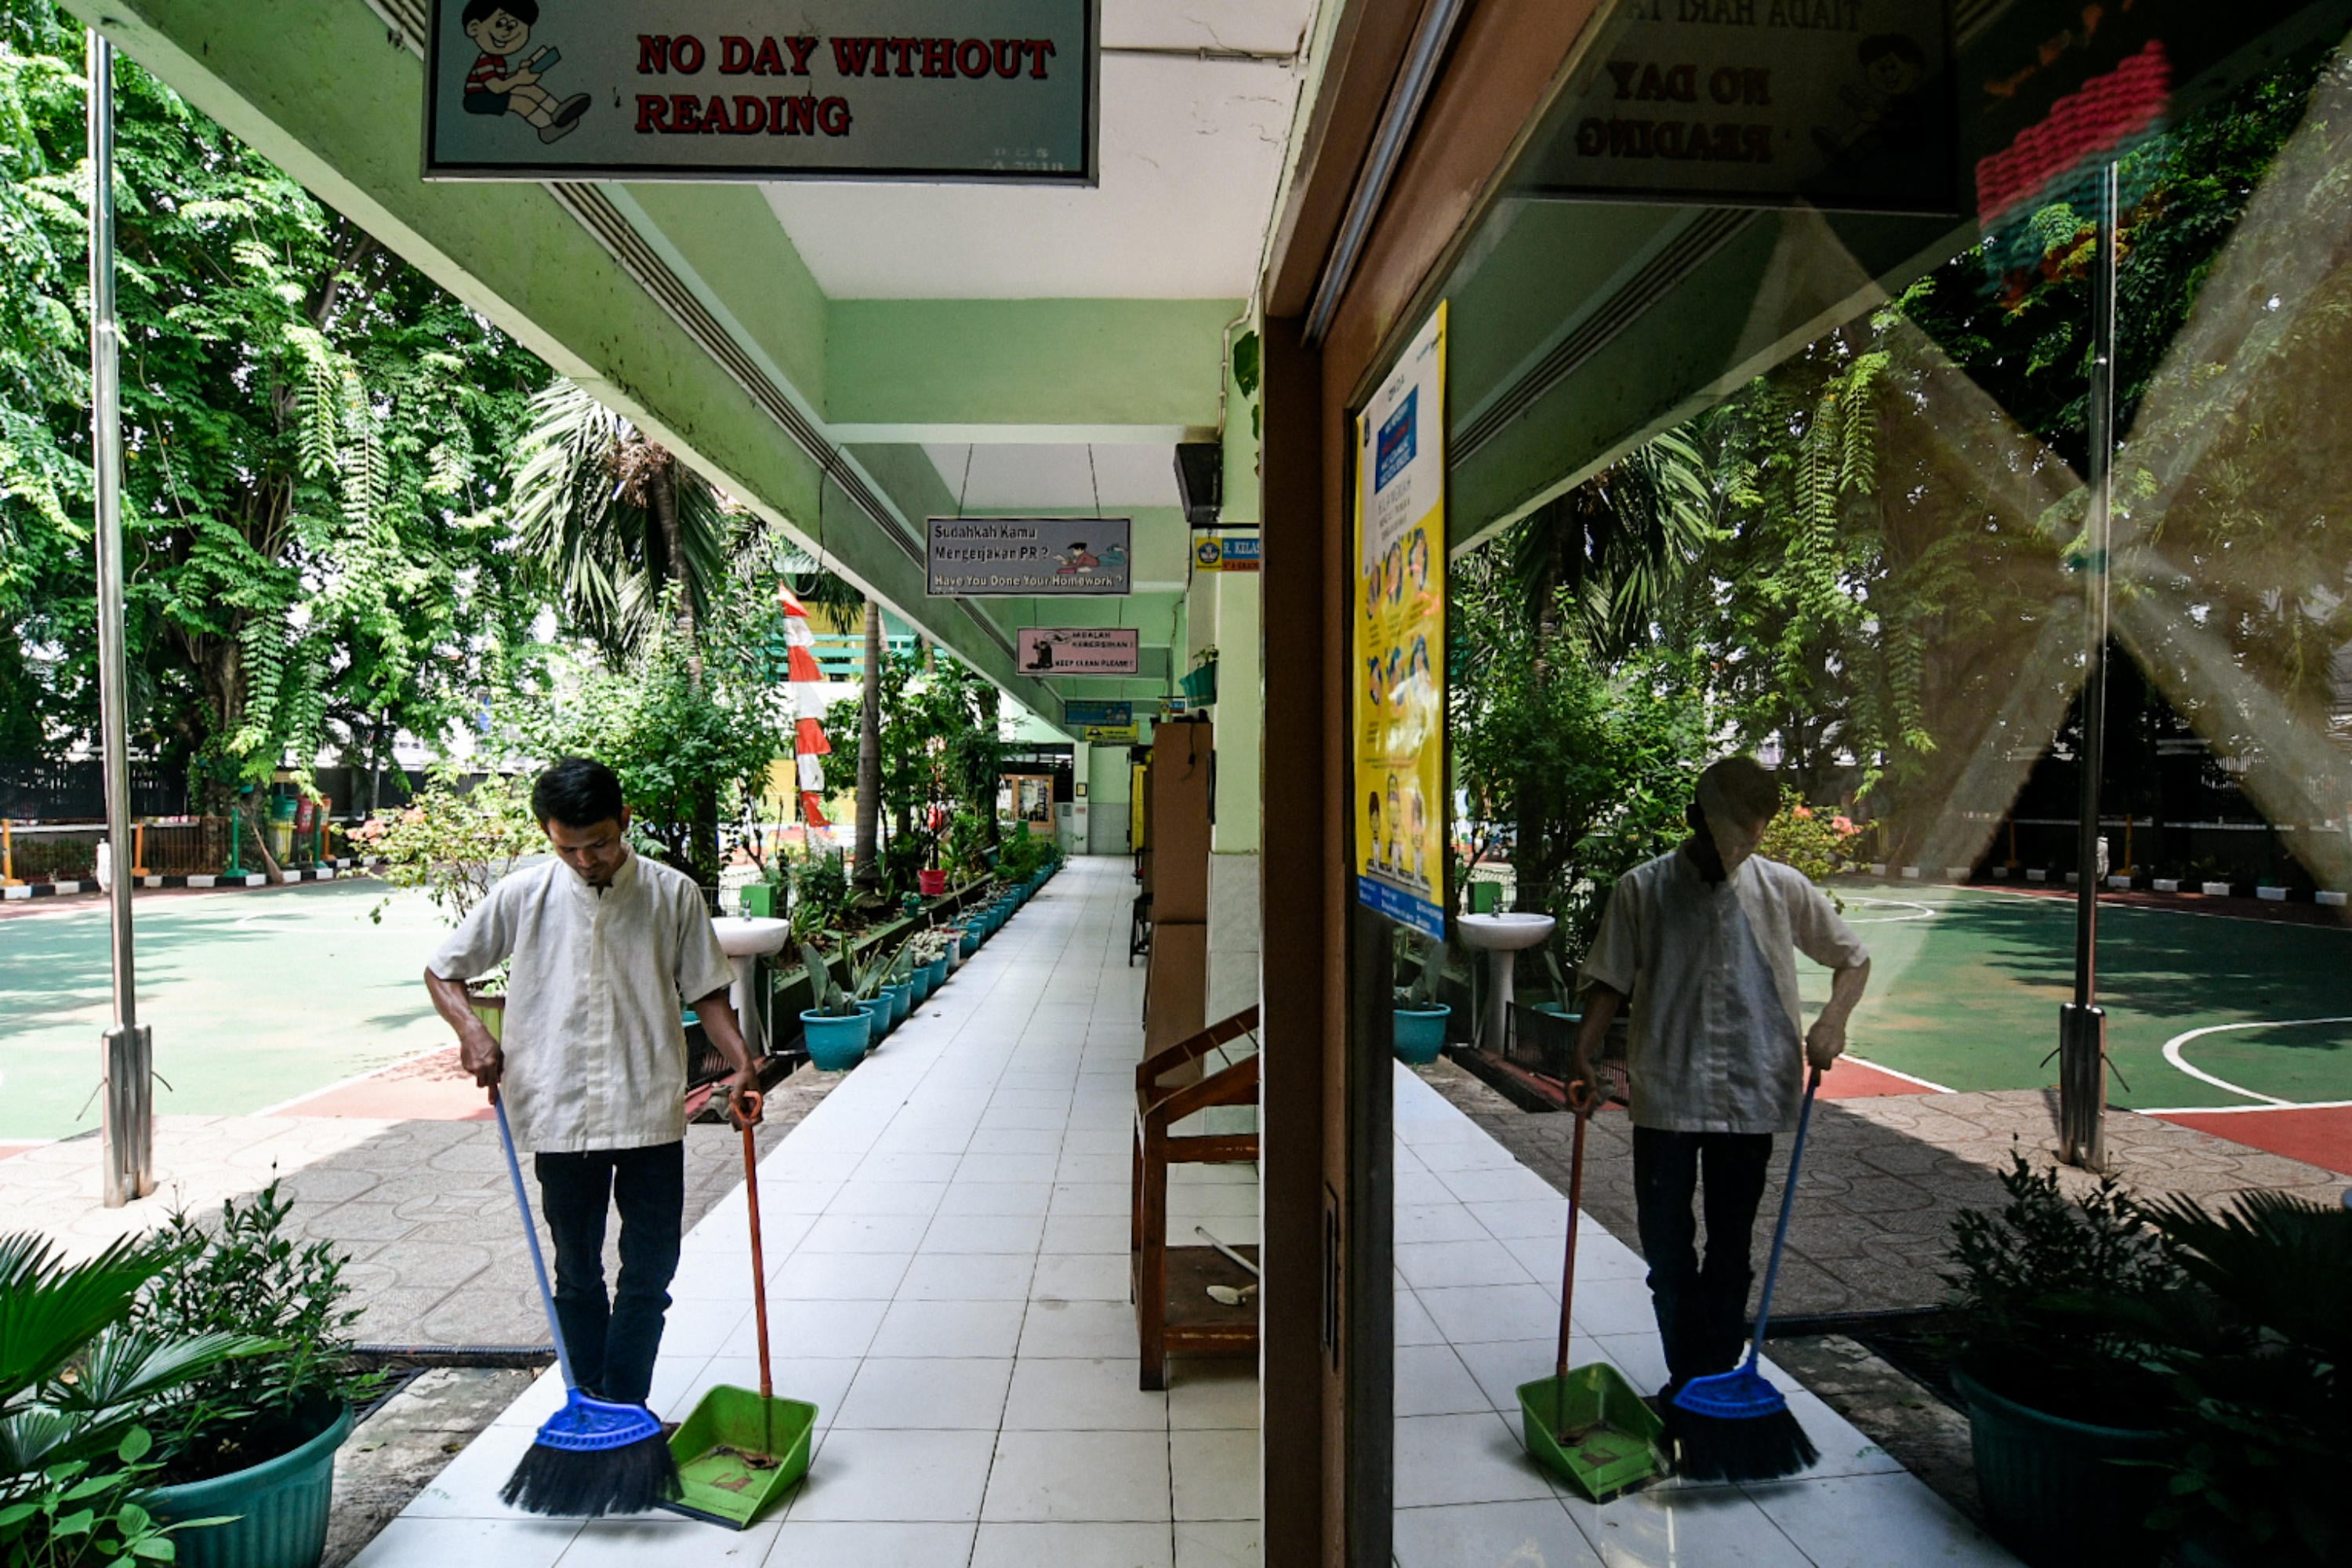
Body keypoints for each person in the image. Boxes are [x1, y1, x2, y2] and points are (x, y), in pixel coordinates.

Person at [423, 757, 759, 1410]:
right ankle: (597, 1407)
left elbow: (709, 991)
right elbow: (443, 971)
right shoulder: (524, 896)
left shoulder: (671, 894)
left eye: (599, 843)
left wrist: (742, 1063)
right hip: (559, 1111)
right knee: (577, 1275)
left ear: (624, 822)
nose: (585, 860)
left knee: (650, 1273)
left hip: (649, 1110)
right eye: (567, 847)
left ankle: (624, 1408)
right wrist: (472, 1032)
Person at [1567, 756, 1870, 1401]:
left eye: (1750, 839)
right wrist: (1584, 1054)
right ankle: (1691, 1377)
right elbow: (1610, 981)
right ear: (1696, 822)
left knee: (1731, 1250)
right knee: (1668, 1255)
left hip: (1750, 1093)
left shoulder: (1782, 889)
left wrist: (1834, 1023)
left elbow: (1853, 959)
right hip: (1666, 1094)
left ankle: (1706, 1385)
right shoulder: (1642, 889)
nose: (1737, 852)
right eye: (1729, 837)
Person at [459, 0, 590, 144]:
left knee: (530, 89)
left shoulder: (498, 60)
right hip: (477, 99)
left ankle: (558, 111)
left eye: (513, 26)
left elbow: (502, 81)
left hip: (488, 93)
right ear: (474, 28)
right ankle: (547, 127)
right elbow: (495, 87)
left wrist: (520, 75)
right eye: (500, 23)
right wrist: (518, 79)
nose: (508, 32)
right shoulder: (485, 61)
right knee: (521, 102)